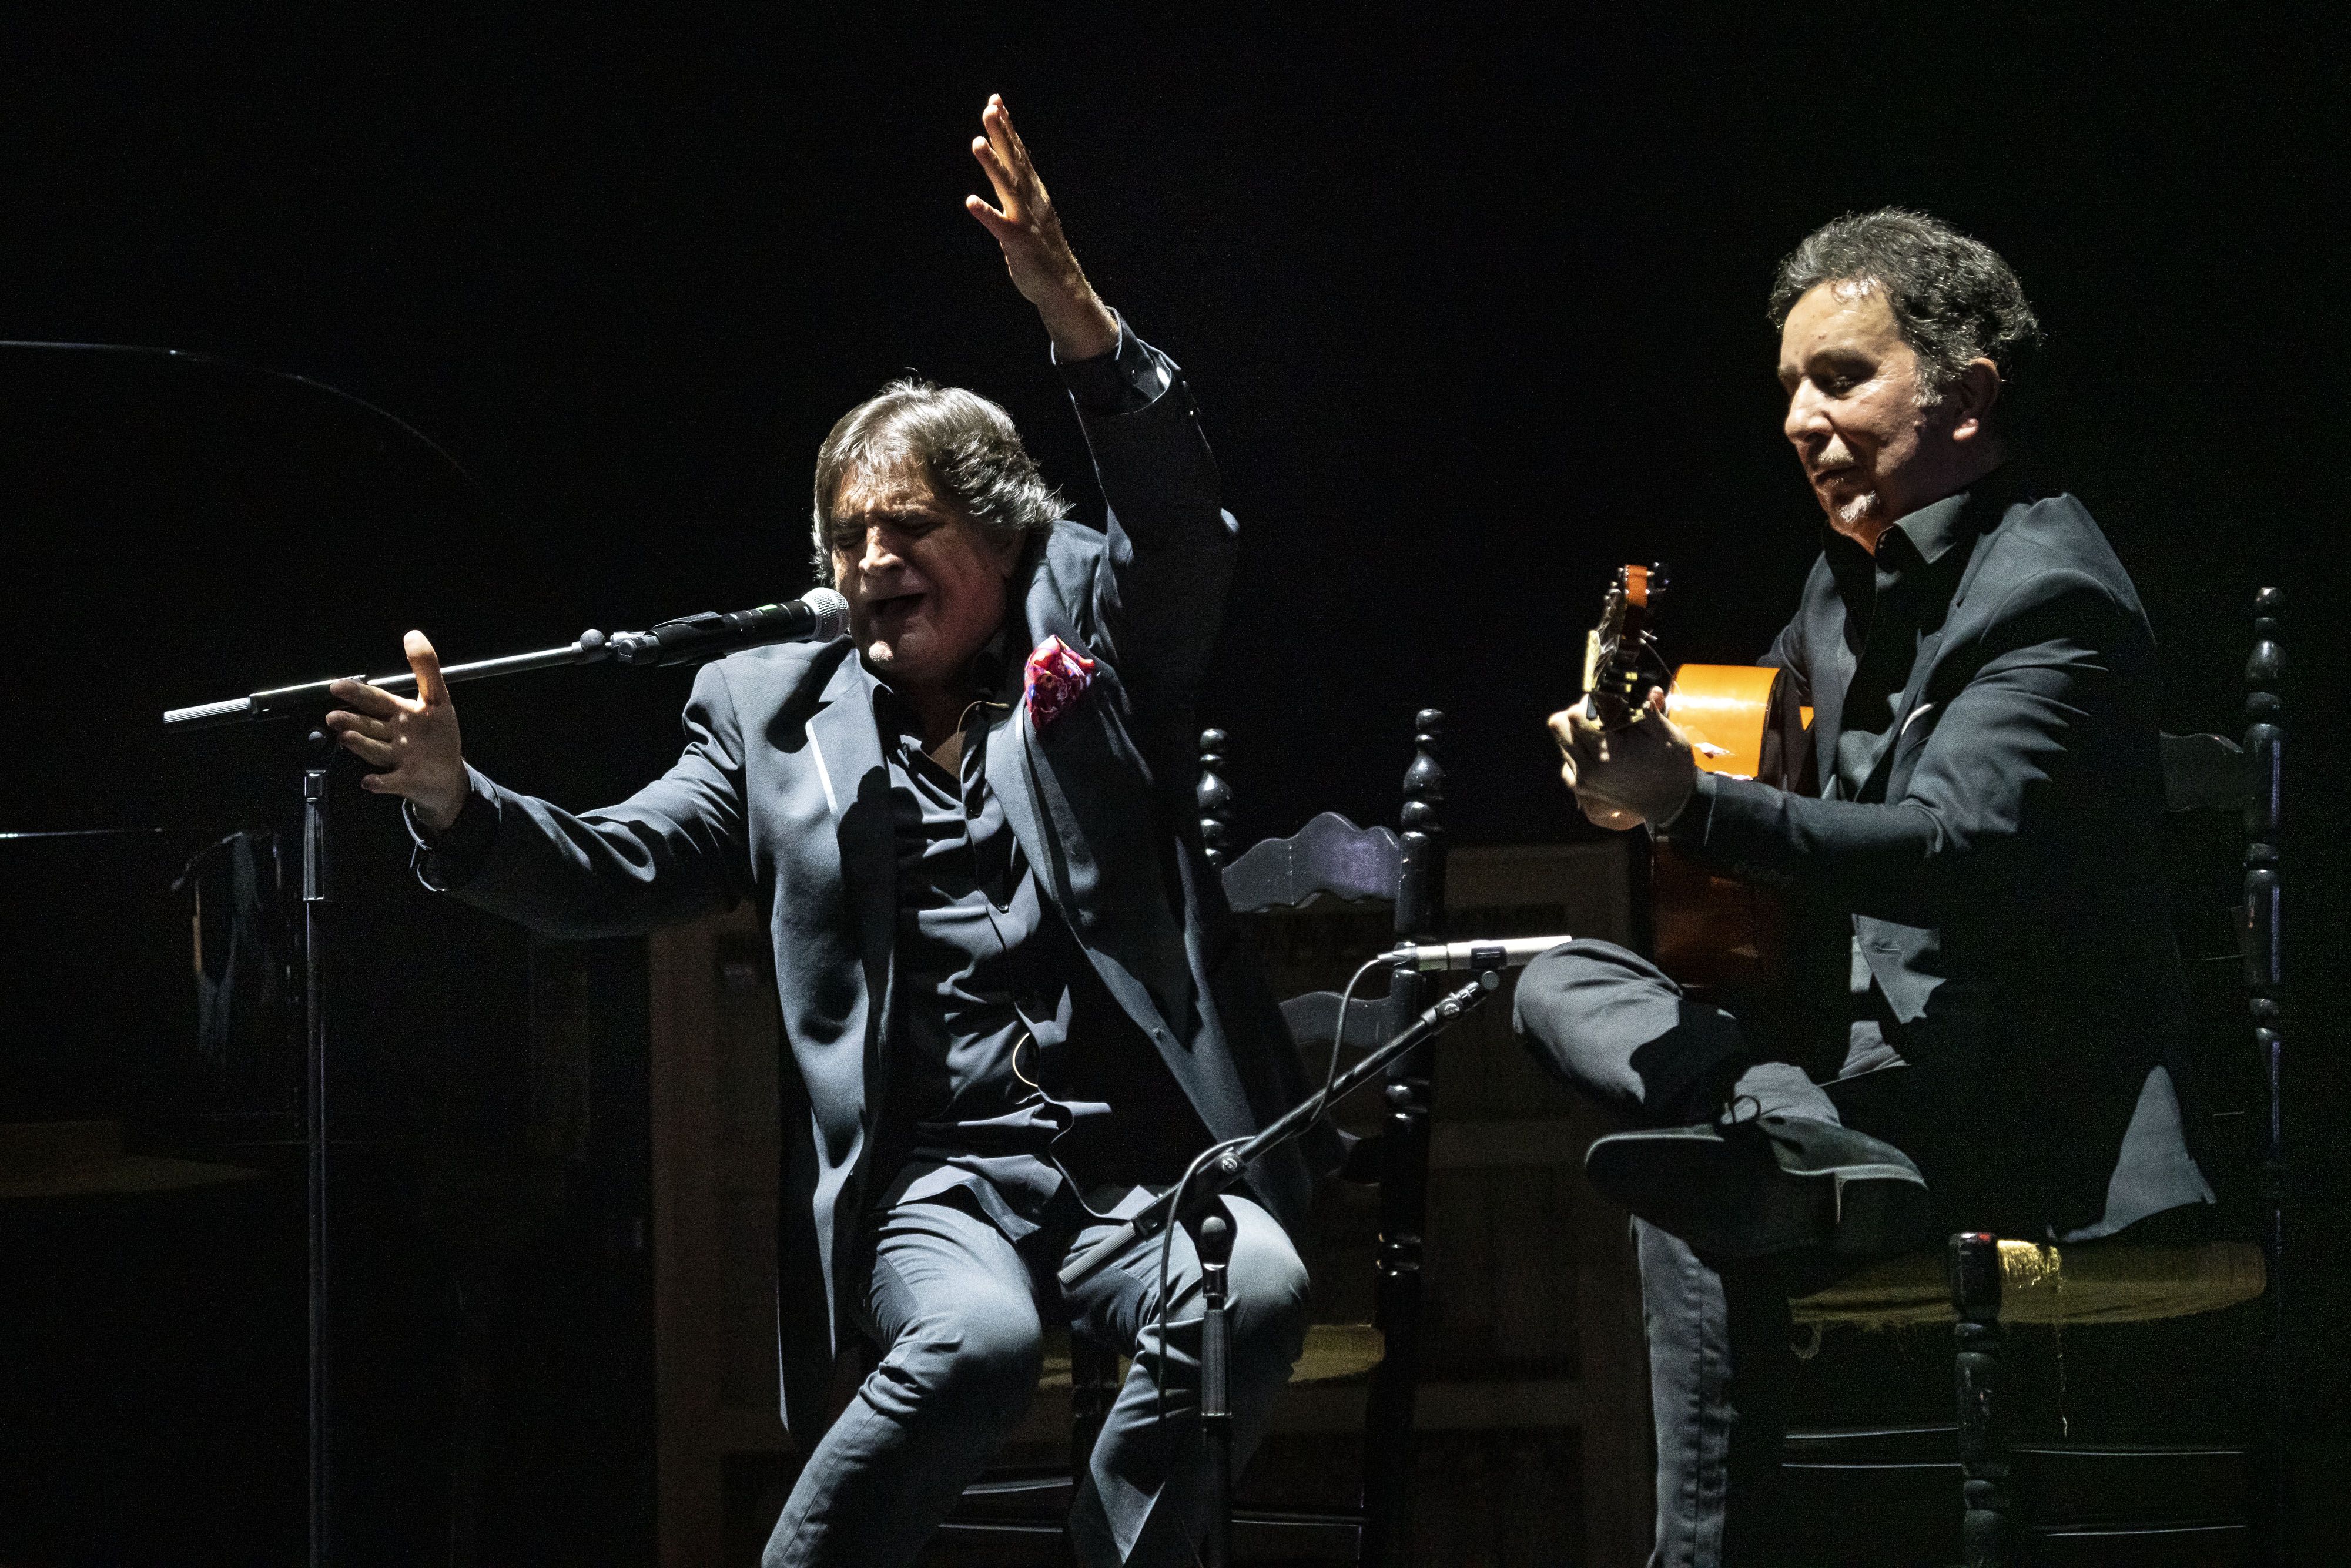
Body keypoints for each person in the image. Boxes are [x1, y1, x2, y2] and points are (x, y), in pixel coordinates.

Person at [323, 95, 1312, 1568]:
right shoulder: (764, 710)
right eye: (846, 535)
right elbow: (623, 865)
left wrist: (1076, 318)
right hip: (936, 1187)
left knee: (1251, 1290)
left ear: (999, 538)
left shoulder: (1087, 622)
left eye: (904, 528)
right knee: (973, 1342)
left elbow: (1182, 532)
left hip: (1138, 1162)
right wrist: (462, 805)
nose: (866, 561)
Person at [1515, 209, 2215, 1566]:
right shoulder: (1834, 595)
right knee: (1550, 976)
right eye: (1785, 385)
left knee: (1701, 1193)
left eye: (1838, 375)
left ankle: (1792, 1165)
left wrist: (1695, 802)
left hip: (2017, 1108)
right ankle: (1806, 1146)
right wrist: (1636, 765)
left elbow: (1954, 850)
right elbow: (1767, 791)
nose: (1797, 415)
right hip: (1862, 1088)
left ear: (1965, 391)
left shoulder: (2049, 591)